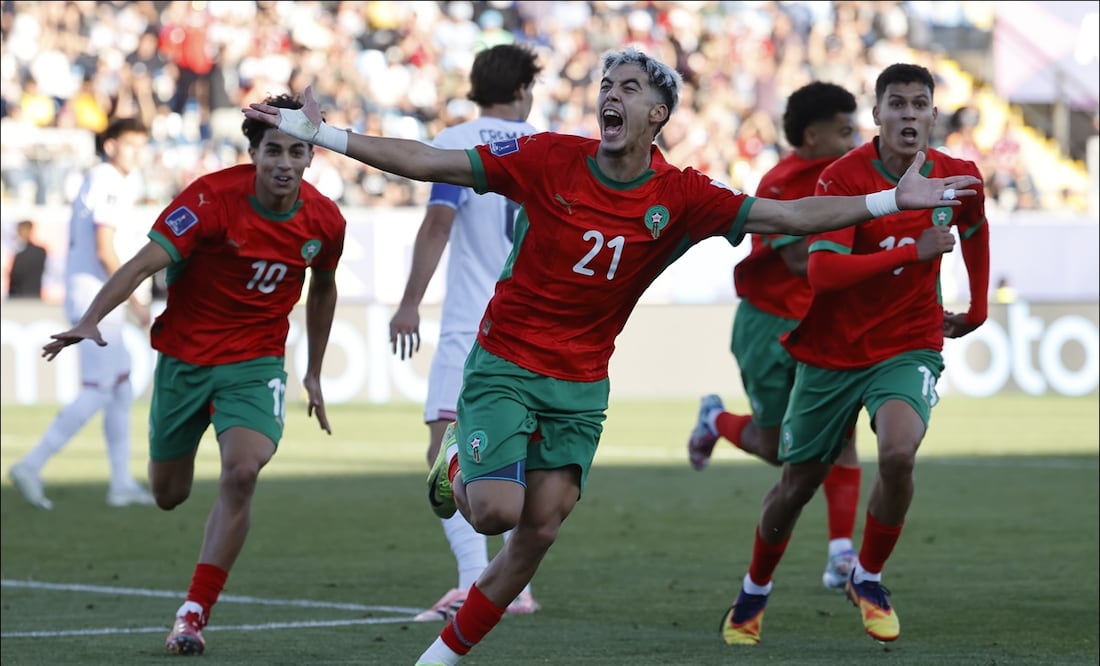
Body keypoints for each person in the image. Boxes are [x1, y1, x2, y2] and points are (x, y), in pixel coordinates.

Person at [243, 47, 979, 665]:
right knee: (497, 513)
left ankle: (438, 660)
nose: (610, 95)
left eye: (628, 86)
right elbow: (429, 161)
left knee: (539, 532)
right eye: (605, 85)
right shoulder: (547, 158)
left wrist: (890, 203)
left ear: (658, 113)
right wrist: (328, 136)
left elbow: (788, 214)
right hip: (507, 361)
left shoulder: (683, 196)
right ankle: (461, 467)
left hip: (582, 383)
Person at [41, 93, 347, 656]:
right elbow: (141, 263)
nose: (284, 162)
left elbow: (324, 289)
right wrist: (90, 319)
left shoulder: (325, 221)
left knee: (242, 472)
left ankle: (193, 611)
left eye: (297, 152)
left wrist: (315, 372)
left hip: (255, 364)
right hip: (184, 360)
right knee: (168, 494)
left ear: (311, 157)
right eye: (273, 150)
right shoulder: (209, 200)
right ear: (254, 153)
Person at [720, 63, 989, 647]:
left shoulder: (959, 175)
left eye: (920, 104)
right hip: (832, 351)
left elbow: (975, 228)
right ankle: (754, 590)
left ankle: (867, 578)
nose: (909, 115)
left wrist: (979, 306)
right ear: (878, 115)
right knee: (796, 484)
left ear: (933, 115)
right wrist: (911, 252)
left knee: (897, 452)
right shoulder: (842, 178)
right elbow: (822, 270)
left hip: (908, 342)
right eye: (897, 104)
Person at [687, 81, 864, 592]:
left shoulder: (850, 176)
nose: (854, 141)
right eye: (844, 130)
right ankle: (715, 420)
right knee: (785, 450)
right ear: (812, 135)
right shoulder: (785, 181)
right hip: (769, 326)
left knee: (843, 437)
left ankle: (840, 555)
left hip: (823, 325)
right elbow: (795, 258)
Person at [388, 43, 542, 621]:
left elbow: (437, 224)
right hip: (530, 325)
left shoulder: (456, 143)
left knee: (443, 445)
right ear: (524, 90)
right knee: (523, 454)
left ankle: (476, 580)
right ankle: (514, 584)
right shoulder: (544, 143)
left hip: (473, 323)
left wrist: (408, 303)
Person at [9, 118, 155, 510]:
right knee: (100, 387)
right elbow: (106, 250)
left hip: (98, 297)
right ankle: (31, 464)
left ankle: (121, 483)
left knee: (121, 386)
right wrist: (139, 305)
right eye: (129, 144)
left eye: (142, 145)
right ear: (110, 146)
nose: (137, 153)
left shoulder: (109, 181)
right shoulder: (107, 180)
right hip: (98, 300)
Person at [7, 219, 47, 299]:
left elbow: (17, 275)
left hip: (26, 296)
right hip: (21, 297)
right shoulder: (19, 251)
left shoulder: (37, 252)